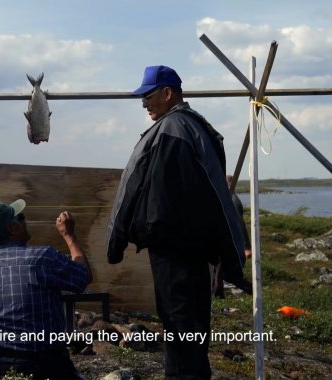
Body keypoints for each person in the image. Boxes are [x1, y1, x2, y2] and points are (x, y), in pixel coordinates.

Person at [106, 65, 251, 379]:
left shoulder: (168, 130)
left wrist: (114, 242)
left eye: (148, 96)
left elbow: (129, 185)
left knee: (179, 327)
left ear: (168, 93)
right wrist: (232, 256)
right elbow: (219, 198)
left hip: (171, 252)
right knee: (193, 327)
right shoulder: (197, 129)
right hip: (195, 254)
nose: (144, 103)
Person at [0, 198, 92, 380]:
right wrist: (69, 236)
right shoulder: (44, 258)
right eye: (21, 217)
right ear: (13, 229)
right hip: (40, 358)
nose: (25, 220)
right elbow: (82, 277)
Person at [212, 175, 253, 298]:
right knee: (221, 271)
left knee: (229, 274)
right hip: (228, 242)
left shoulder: (232, 200)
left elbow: (239, 223)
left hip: (231, 243)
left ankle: (253, 290)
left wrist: (246, 246)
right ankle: (218, 294)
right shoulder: (231, 198)